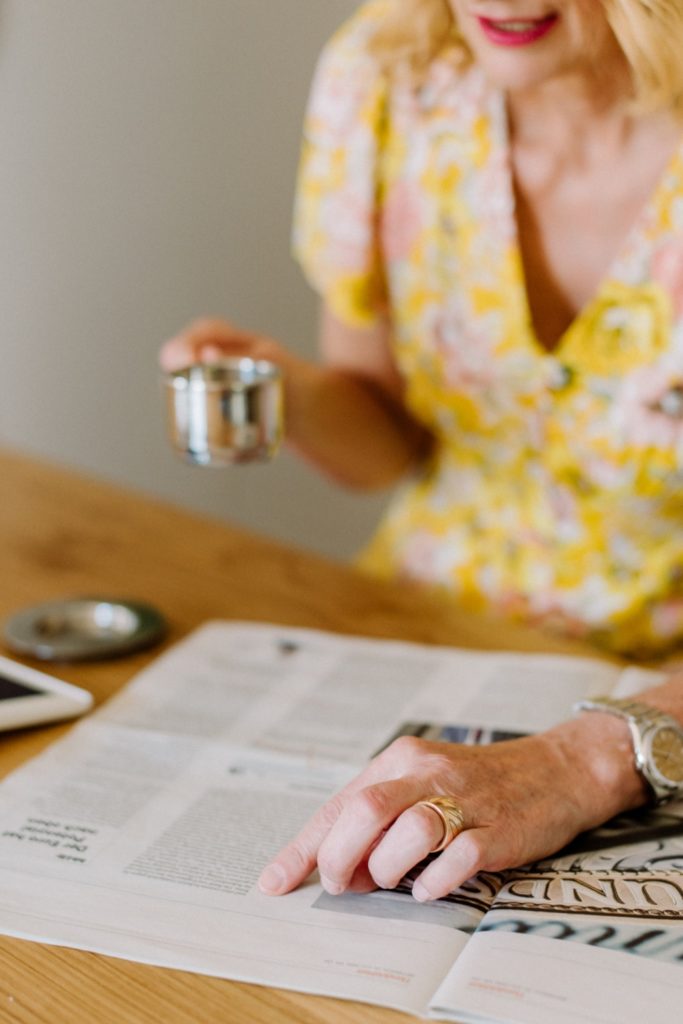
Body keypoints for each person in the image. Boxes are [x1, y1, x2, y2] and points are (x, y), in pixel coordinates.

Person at [160, 0, 683, 902]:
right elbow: (386, 448)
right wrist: (281, 388)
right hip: (420, 634)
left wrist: (588, 758)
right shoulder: (387, 78)